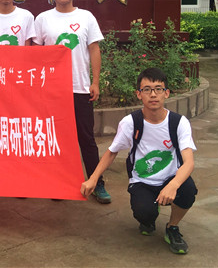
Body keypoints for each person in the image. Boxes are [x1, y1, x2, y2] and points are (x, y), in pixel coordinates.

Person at [81, 68, 197, 254]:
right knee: (144, 213)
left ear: (166, 93)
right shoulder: (130, 122)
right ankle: (148, 217)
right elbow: (112, 152)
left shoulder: (179, 123)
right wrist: (93, 179)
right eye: (147, 89)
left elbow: (188, 162)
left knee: (188, 190)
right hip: (142, 180)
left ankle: (172, 227)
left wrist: (174, 184)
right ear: (138, 94)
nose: (153, 94)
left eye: (158, 89)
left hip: (170, 177)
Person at [33, 0, 111, 203]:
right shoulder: (43, 19)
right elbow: (36, 53)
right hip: (52, 90)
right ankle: (60, 182)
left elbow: (94, 49)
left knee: (86, 138)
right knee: (55, 138)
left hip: (79, 88)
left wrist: (95, 82)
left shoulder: (86, 17)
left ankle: (96, 182)